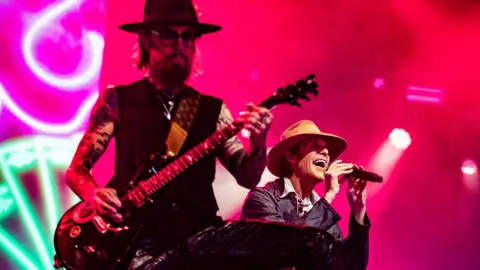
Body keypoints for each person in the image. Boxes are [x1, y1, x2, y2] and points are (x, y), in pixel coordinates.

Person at [64, 0, 273, 269]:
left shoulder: (213, 109)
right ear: (145, 40)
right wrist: (94, 195)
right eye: (168, 34)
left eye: (188, 36)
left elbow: (248, 176)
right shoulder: (118, 100)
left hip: (198, 240)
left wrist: (258, 139)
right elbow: (76, 171)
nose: (180, 44)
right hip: (138, 243)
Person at [241, 120, 370, 270]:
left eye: (326, 148)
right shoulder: (262, 199)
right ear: (291, 156)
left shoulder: (325, 214)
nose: (326, 152)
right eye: (315, 145)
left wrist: (358, 210)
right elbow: (284, 251)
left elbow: (351, 266)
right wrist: (329, 195)